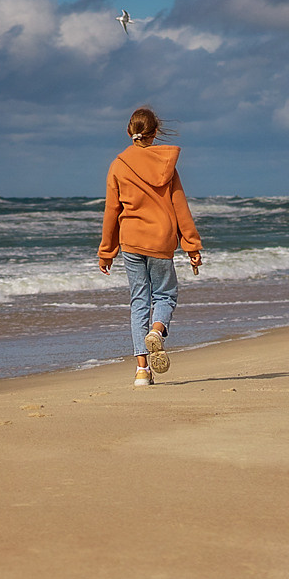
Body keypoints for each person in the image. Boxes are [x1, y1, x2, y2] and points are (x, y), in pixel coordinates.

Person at [98, 106, 203, 386]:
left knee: (138, 302)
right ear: (155, 132)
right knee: (165, 295)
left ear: (129, 132)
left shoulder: (118, 165)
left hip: (130, 241)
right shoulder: (166, 165)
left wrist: (107, 251)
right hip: (160, 241)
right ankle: (157, 331)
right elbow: (179, 206)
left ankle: (142, 371)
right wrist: (192, 246)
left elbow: (112, 210)